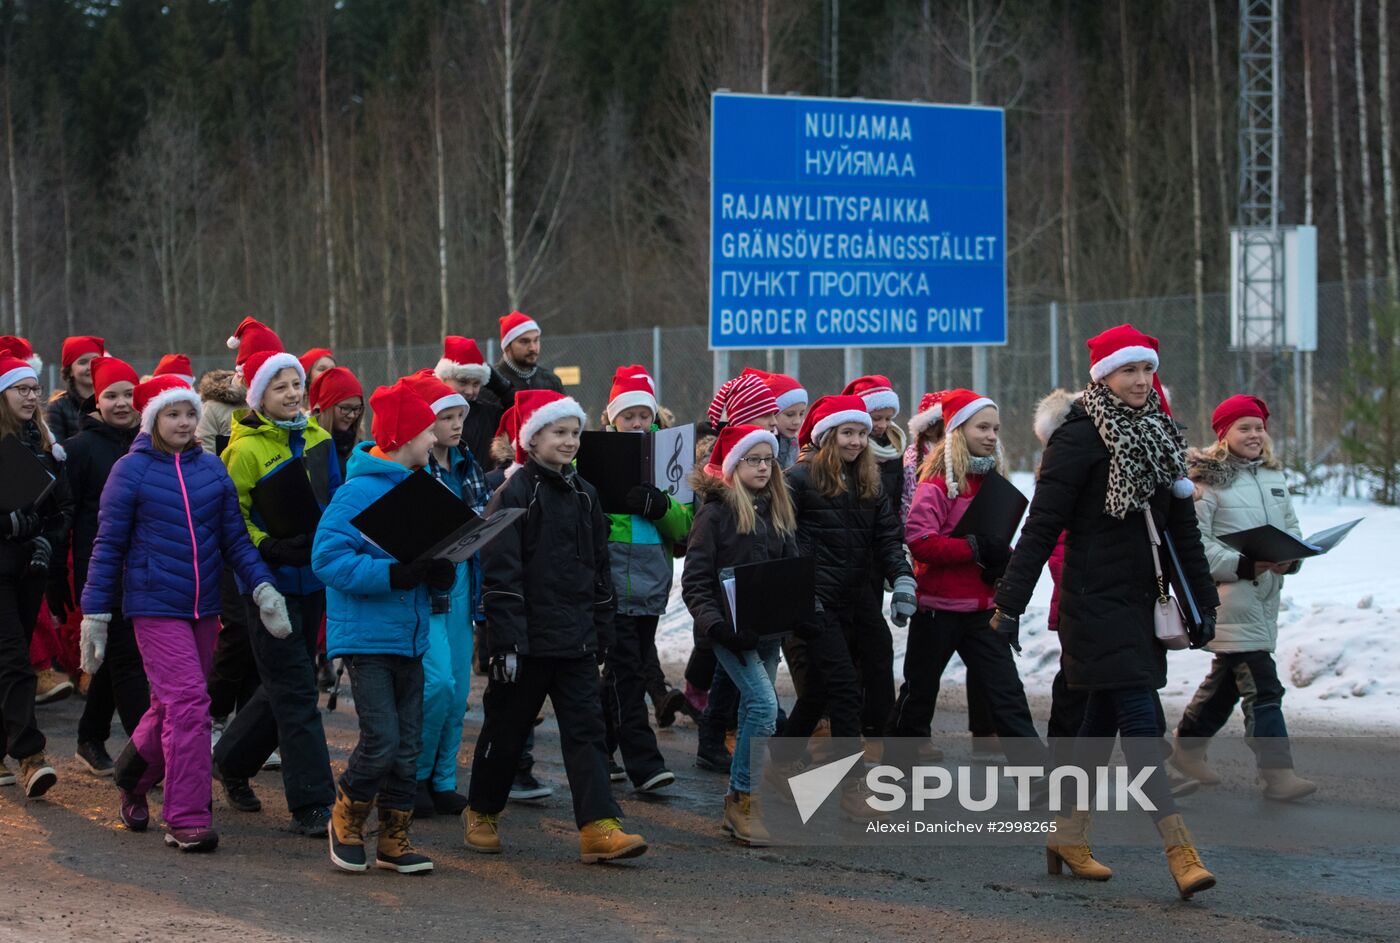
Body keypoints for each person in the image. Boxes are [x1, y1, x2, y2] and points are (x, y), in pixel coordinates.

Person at [993, 324, 1220, 900]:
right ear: (1103, 376)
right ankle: (1180, 850)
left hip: (1146, 601)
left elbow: (1182, 532)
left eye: (1148, 370)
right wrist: (1010, 604)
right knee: (1143, 723)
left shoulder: (1162, 434)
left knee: (1098, 723)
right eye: (1129, 371)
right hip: (1093, 604)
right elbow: (1042, 525)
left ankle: (1067, 833)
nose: (1142, 381)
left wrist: (1205, 603)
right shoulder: (1077, 438)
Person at [80, 375, 289, 852]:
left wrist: (262, 587)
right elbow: (108, 546)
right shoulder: (128, 471)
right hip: (153, 607)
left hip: (203, 608)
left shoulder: (211, 469)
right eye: (173, 413)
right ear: (153, 417)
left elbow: (235, 539)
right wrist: (95, 612)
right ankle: (186, 817)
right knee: (193, 704)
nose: (184, 422)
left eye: (190, 413)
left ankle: (132, 778)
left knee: (170, 706)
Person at [464, 389, 648, 864]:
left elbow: (600, 573)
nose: (569, 442)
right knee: (505, 732)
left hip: (577, 643)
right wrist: (505, 643)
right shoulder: (514, 493)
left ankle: (599, 828)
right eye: (558, 432)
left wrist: (602, 633)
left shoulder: (587, 495)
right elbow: (501, 575)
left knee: (586, 733)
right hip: (524, 647)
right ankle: (482, 811)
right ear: (532, 438)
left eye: (573, 433)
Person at [316, 379, 450, 874]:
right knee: (382, 740)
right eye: (426, 433)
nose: (434, 441)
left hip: (410, 636)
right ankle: (346, 817)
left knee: (409, 745)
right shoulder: (357, 493)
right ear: (400, 438)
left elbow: (427, 557)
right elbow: (327, 560)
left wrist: (440, 570)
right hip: (368, 640)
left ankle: (395, 838)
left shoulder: (423, 490)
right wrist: (395, 573)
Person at [213, 333, 340, 837]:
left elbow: (335, 501)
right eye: (280, 386)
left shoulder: (319, 440)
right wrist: (266, 547)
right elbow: (232, 520)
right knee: (295, 693)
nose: (292, 393)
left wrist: (326, 542)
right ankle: (313, 803)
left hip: (314, 579)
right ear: (259, 396)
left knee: (290, 683)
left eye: (297, 384)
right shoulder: (241, 452)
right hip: (268, 587)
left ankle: (229, 758)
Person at [885, 389, 1048, 773]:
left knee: (1008, 695)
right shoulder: (938, 483)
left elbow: (994, 540)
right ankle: (893, 772)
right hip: (937, 612)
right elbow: (920, 540)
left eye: (995, 428)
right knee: (918, 697)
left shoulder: (993, 483)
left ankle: (1038, 779)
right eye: (982, 427)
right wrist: (971, 547)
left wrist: (1000, 557)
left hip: (982, 612)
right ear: (958, 430)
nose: (992, 435)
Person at [1173, 394, 1316, 801]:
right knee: (1263, 687)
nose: (1254, 435)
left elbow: (1290, 528)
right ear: (1223, 434)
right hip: (1229, 598)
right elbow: (1194, 544)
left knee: (1228, 682)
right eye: (1244, 428)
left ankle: (1188, 748)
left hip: (1266, 597)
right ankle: (1277, 774)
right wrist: (1242, 565)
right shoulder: (1206, 481)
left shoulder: (1273, 477)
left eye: (1258, 427)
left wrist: (1293, 558)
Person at [778, 395, 915, 813]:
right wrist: (805, 599)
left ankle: (780, 760)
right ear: (826, 437)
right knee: (842, 688)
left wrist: (903, 579)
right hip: (815, 604)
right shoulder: (798, 480)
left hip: (857, 599)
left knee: (822, 689)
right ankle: (852, 788)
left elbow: (888, 538)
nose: (857, 441)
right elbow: (787, 544)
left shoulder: (869, 483)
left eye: (860, 432)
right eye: (848, 433)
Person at [683, 424, 798, 844]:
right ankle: (747, 798)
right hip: (729, 633)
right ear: (734, 466)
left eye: (769, 460)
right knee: (765, 707)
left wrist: (806, 611)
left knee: (755, 710)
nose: (764, 467)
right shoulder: (714, 514)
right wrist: (718, 628)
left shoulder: (778, 509)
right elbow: (695, 583)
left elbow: (792, 570)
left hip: (768, 631)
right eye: (754, 460)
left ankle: (737, 801)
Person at [50, 356, 150, 776]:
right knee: (127, 660)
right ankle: (148, 756)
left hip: (146, 569)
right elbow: (63, 518)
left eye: (129, 394)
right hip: (103, 572)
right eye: (111, 395)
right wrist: (56, 579)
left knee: (115, 658)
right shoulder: (79, 450)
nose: (122, 403)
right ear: (96, 401)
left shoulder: (149, 443)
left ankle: (89, 737)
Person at [398, 370, 487, 817]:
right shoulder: (415, 470)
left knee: (457, 694)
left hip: (464, 587)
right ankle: (411, 777)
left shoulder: (467, 464)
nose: (456, 425)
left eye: (460, 416)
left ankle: (443, 778)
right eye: (446, 417)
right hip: (429, 593)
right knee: (436, 686)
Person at [598, 366, 688, 793]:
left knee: (619, 672)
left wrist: (660, 506)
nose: (636, 423)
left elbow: (684, 527)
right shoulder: (592, 455)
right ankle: (645, 763)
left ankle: (600, 748)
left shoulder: (671, 456)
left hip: (651, 586)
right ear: (612, 417)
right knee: (627, 670)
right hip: (610, 587)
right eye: (627, 415)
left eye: (643, 415)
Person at [0, 354, 71, 798]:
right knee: (14, 662)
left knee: (9, 662)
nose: (30, 396)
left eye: (33, 389)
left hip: (31, 571)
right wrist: (5, 525)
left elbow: (63, 508)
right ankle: (31, 756)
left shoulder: (46, 443)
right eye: (20, 389)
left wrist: (48, 540)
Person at [436, 335, 511, 467]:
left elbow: (519, 415)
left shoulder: (488, 414)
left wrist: (502, 387)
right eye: (463, 382)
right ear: (444, 378)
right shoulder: (429, 413)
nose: (470, 391)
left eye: (476, 384)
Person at [484, 312, 564, 405]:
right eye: (524, 342)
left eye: (536, 340)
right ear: (507, 347)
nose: (533, 348)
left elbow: (566, 417)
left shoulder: (551, 381)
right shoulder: (491, 384)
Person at [741, 368, 807, 468]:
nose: (797, 421)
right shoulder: (758, 442)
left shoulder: (797, 442)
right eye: (790, 414)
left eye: (801, 414)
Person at [45, 335, 106, 443]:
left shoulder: (110, 402)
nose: (90, 367)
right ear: (70, 371)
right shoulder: (58, 407)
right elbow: (56, 450)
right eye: (83, 362)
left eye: (95, 360)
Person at [309, 366, 365, 477]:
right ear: (327, 406)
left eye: (357, 408)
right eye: (345, 408)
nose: (352, 415)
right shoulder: (308, 444)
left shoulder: (360, 448)